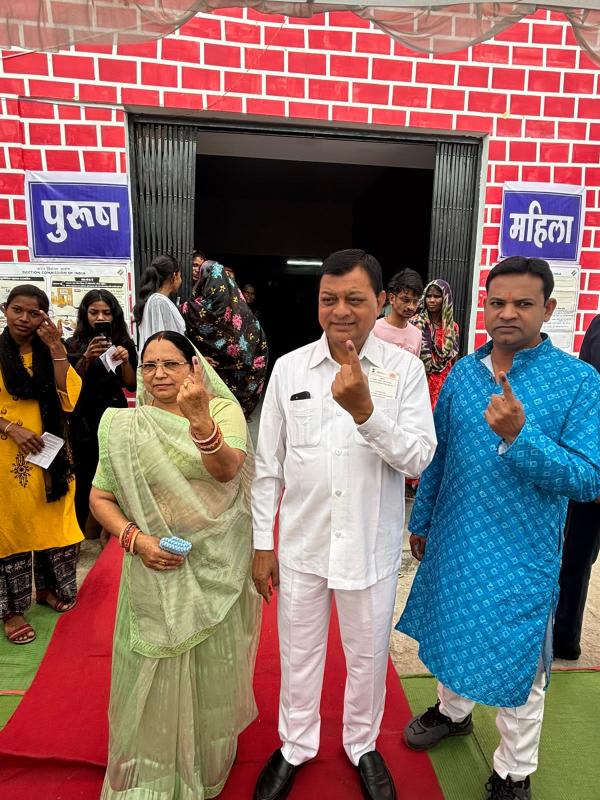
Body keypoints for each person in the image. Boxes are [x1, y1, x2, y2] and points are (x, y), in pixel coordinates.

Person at [396, 257, 600, 800]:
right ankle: (453, 712)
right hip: (458, 536)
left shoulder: (578, 382)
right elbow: (440, 454)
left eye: (523, 304)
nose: (507, 313)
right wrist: (423, 517)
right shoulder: (463, 373)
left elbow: (588, 478)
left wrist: (521, 436)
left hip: (523, 551)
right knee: (453, 631)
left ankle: (513, 771)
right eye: (497, 303)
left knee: (520, 666)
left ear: (548, 310)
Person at [251, 249, 436, 800]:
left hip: (369, 549)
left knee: (368, 656)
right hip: (303, 546)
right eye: (328, 299)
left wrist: (366, 413)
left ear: (379, 303)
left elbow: (421, 458)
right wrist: (264, 543)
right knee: (299, 653)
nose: (340, 311)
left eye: (355, 299)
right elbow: (267, 468)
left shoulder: (403, 371)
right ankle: (295, 744)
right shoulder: (289, 369)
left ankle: (362, 745)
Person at [89, 330, 260, 800]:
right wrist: (136, 539)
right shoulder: (126, 426)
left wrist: (201, 420)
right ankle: (155, 762)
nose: (159, 374)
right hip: (151, 564)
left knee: (208, 663)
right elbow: (100, 497)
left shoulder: (222, 411)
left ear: (194, 367)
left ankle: (199, 759)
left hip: (215, 563)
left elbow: (227, 471)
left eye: (171, 364)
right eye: (149, 365)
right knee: (151, 664)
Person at [0, 285, 83, 645]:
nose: (25, 319)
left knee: (53, 522)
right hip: (6, 461)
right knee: (11, 531)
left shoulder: (49, 351)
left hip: (51, 460)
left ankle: (47, 589)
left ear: (45, 317)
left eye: (34, 313)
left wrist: (56, 348)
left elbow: (70, 398)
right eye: (18, 310)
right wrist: (11, 428)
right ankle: (12, 610)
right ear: (5, 310)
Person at [66, 290, 137, 538]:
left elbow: (131, 385)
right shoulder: (73, 345)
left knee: (115, 470)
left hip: (114, 414)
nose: (100, 317)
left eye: (106, 312)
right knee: (85, 472)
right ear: (85, 314)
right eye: (94, 312)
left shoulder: (124, 344)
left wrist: (126, 360)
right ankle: (82, 532)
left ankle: (110, 529)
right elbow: (69, 383)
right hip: (83, 417)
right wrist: (87, 357)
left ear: (114, 315)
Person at [554, 313, 600, 660]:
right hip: (592, 465)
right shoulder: (598, 326)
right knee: (575, 555)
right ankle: (564, 636)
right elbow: (587, 402)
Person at [181, 260, 268, 418]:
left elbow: (182, 338)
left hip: (206, 372)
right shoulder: (241, 310)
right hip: (238, 378)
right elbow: (257, 344)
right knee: (229, 417)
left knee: (208, 415)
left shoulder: (191, 309)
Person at [411, 279, 459, 408]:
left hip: (443, 383)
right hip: (421, 380)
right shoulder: (415, 323)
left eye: (437, 296)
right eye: (428, 296)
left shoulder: (452, 328)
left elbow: (453, 360)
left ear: (446, 299)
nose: (431, 300)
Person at [133, 254, 185, 352]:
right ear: (175, 275)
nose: (181, 280)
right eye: (180, 275)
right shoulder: (159, 302)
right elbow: (164, 342)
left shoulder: (156, 300)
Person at [373, 269, 423, 356]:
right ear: (392, 298)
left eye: (415, 301)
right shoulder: (373, 329)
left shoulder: (417, 335)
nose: (411, 306)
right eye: (405, 300)